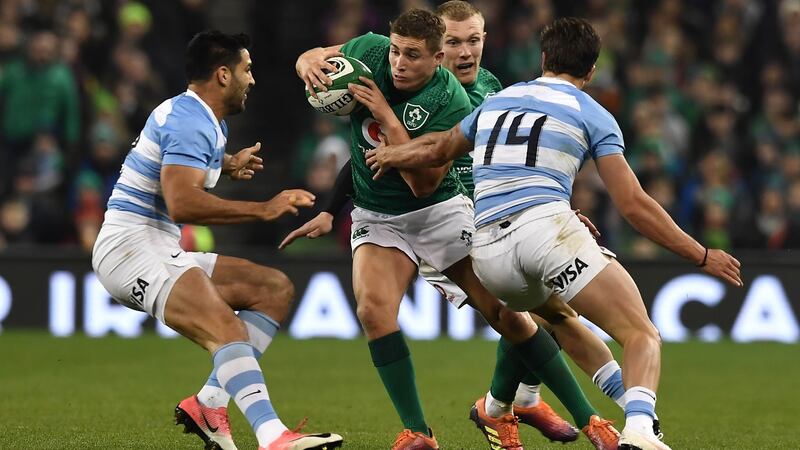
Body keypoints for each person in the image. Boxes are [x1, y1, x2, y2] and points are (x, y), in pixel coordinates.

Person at [366, 17, 743, 450]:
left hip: (487, 250)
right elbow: (634, 205)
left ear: (543, 58)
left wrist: (393, 153)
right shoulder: (594, 114)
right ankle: (639, 430)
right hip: (545, 233)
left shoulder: (498, 99)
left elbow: (437, 147)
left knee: (558, 318)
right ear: (592, 71)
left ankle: (513, 401)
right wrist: (700, 255)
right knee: (641, 334)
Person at [289, 9, 617, 450]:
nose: (398, 63)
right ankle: (421, 432)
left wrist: (385, 113)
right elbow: (319, 59)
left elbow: (423, 183)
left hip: (445, 210)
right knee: (373, 311)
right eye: (395, 52)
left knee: (514, 312)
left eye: (473, 41)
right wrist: (307, 61)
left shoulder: (461, 100)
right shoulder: (370, 52)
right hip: (378, 216)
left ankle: (571, 415)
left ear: (436, 57)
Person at [91, 30, 343, 450]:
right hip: (131, 248)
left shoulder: (203, 119)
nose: (253, 79)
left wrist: (225, 164)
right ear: (223, 74)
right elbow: (182, 204)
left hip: (153, 245)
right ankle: (272, 437)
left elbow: (174, 165)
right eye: (247, 69)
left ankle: (208, 404)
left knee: (272, 289)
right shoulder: (192, 122)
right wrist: (263, 208)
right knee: (226, 329)